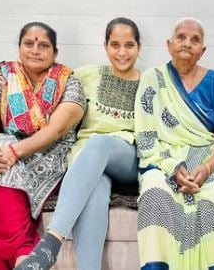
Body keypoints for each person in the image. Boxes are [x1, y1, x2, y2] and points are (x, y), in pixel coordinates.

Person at [14, 17, 140, 270]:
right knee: (95, 187)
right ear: (105, 46)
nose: (122, 52)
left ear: (139, 47)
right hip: (88, 161)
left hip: (127, 157)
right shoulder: (85, 75)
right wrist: (7, 74)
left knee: (99, 143)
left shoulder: (149, 82)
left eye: (129, 45)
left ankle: (51, 242)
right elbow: (42, 77)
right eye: (115, 45)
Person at [135, 17, 214, 270]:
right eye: (181, 37)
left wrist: (208, 168)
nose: (187, 43)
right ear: (169, 44)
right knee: (155, 193)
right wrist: (172, 168)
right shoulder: (152, 79)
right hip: (163, 159)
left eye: (195, 40)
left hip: (209, 159)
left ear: (203, 51)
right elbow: (145, 137)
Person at [0, 22, 86, 270]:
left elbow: (56, 130)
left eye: (44, 45)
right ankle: (23, 252)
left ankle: (18, 249)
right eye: (29, 43)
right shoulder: (3, 76)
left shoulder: (70, 82)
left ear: (55, 53)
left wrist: (12, 152)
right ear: (19, 48)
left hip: (51, 153)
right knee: (0, 142)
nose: (35, 50)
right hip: (6, 154)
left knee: (3, 148)